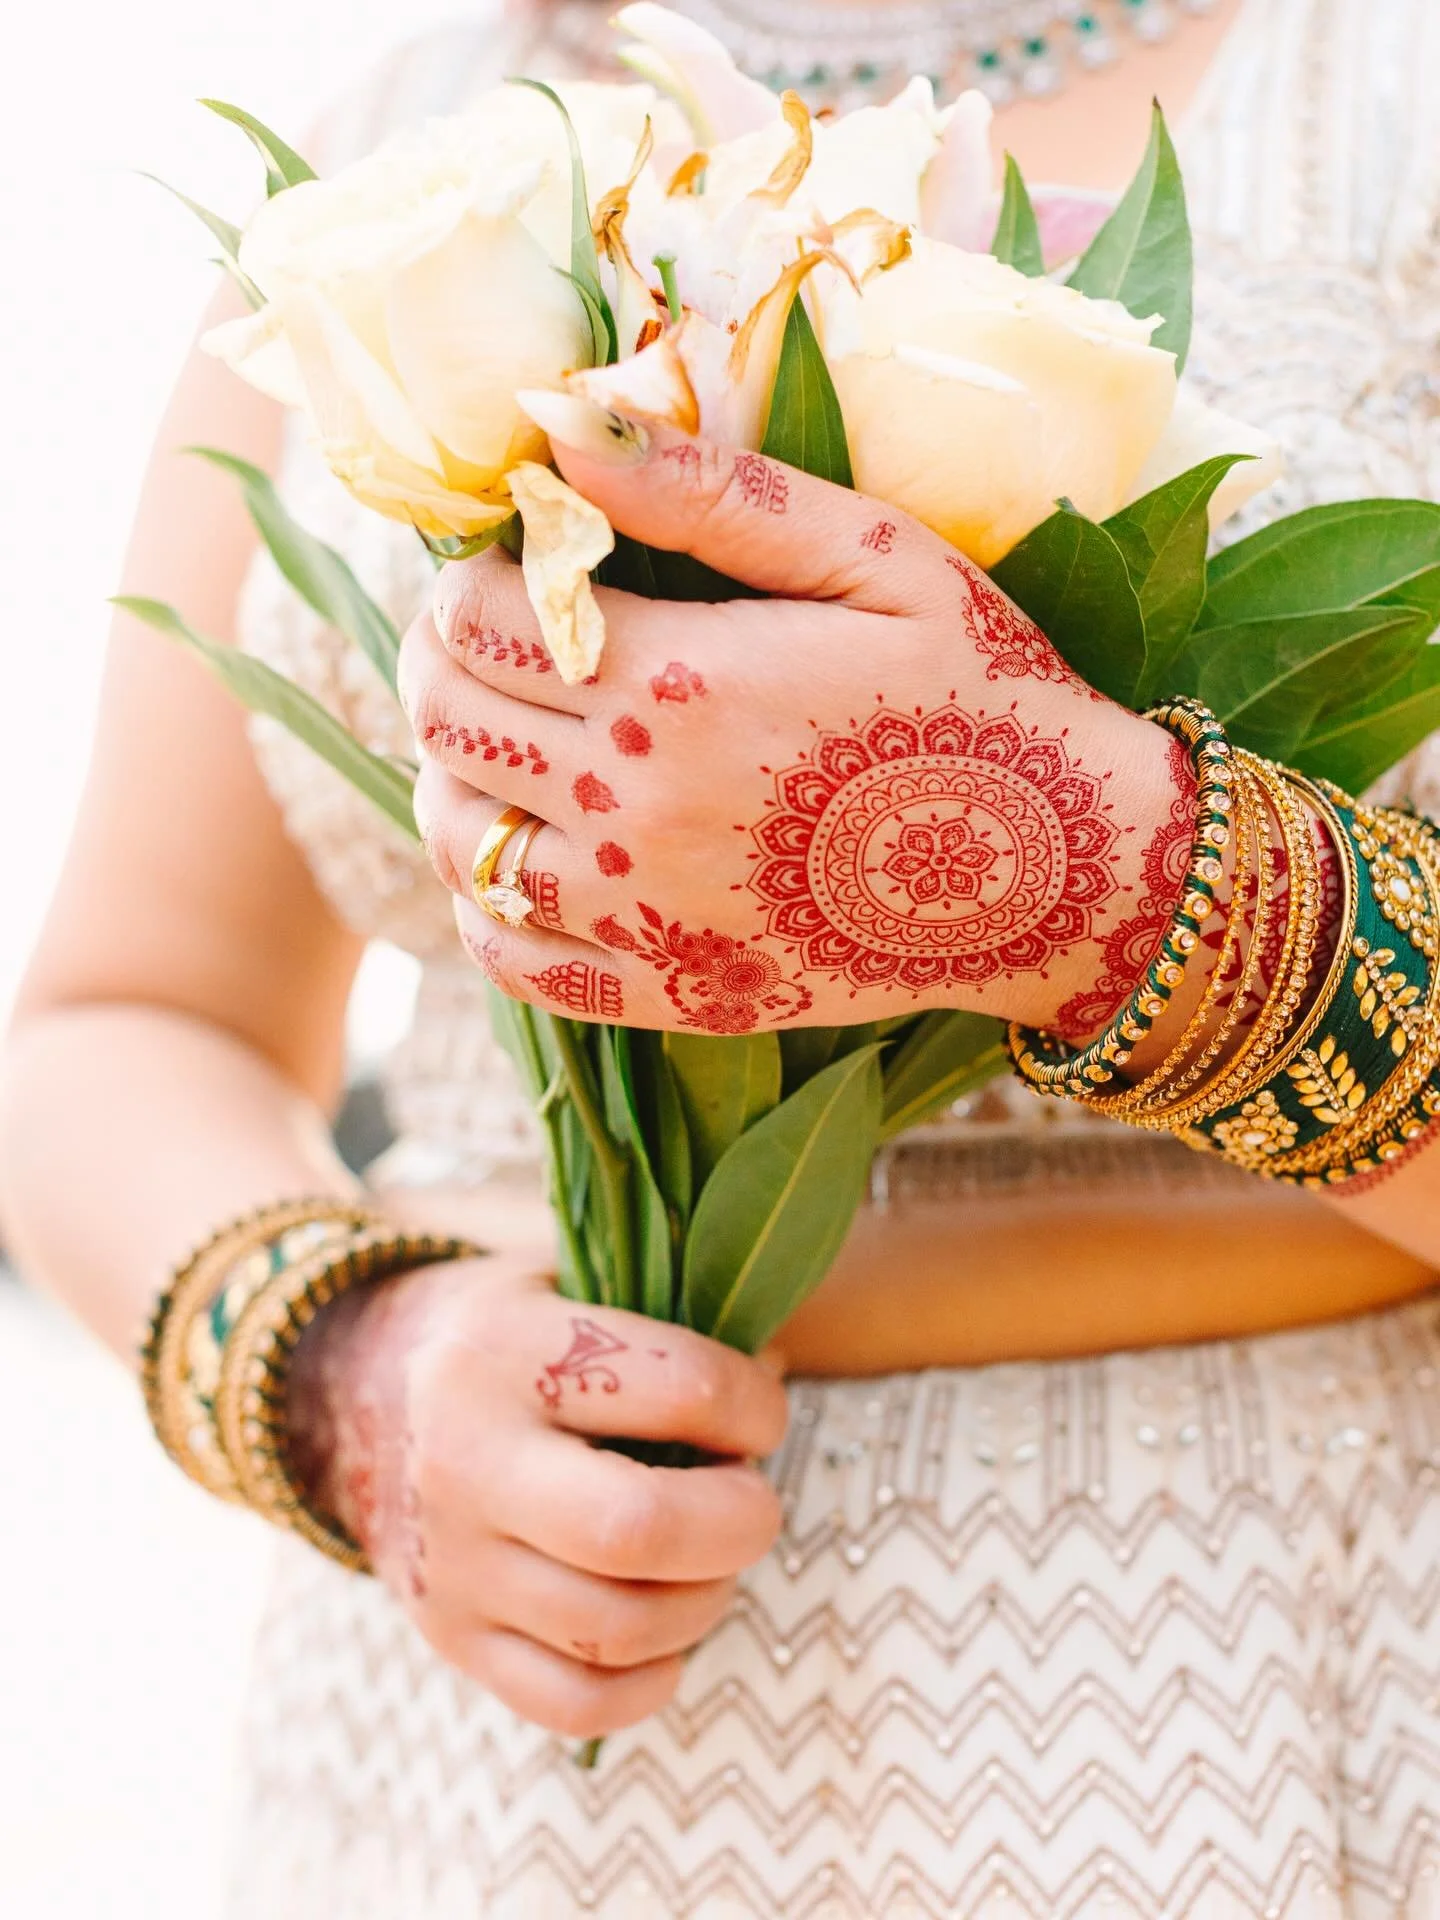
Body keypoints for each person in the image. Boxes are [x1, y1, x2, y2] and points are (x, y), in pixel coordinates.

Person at [3, 0, 1439, 1912]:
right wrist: (353, 1366)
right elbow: (125, 1020)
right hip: (491, 1758)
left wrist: (1080, 876)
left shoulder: (1386, 99)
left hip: (1280, 1672)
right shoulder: (394, 163)